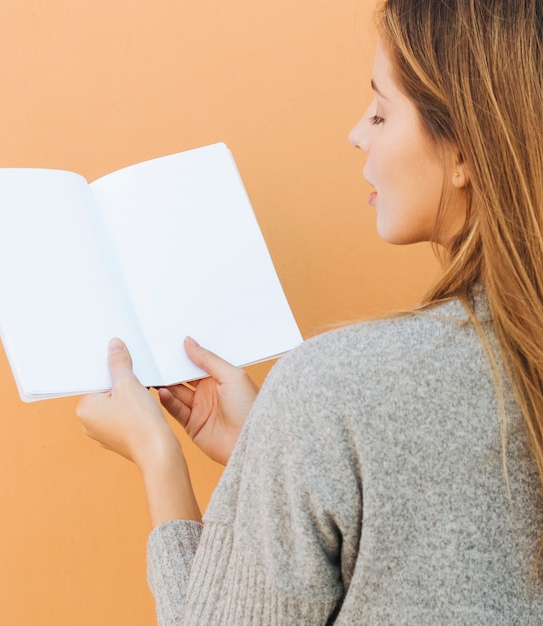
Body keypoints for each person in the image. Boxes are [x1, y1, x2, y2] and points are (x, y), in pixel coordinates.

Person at [76, 0, 543, 622]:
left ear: (464, 152)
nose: (357, 133)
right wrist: (277, 458)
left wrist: (158, 457)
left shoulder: (335, 389)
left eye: (381, 111)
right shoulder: (340, 406)